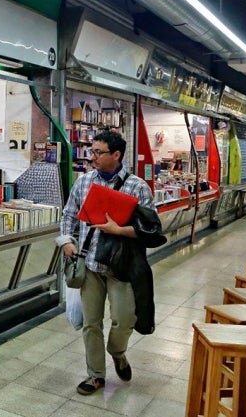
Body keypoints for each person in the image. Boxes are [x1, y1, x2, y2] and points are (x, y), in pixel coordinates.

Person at [55, 130, 156, 395]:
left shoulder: (137, 187)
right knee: (91, 322)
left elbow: (150, 230)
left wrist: (119, 230)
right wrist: (66, 241)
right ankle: (95, 375)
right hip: (89, 264)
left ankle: (117, 351)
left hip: (121, 268)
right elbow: (68, 214)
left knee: (124, 319)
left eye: (98, 152)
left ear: (116, 155)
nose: (92, 157)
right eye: (91, 151)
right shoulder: (84, 182)